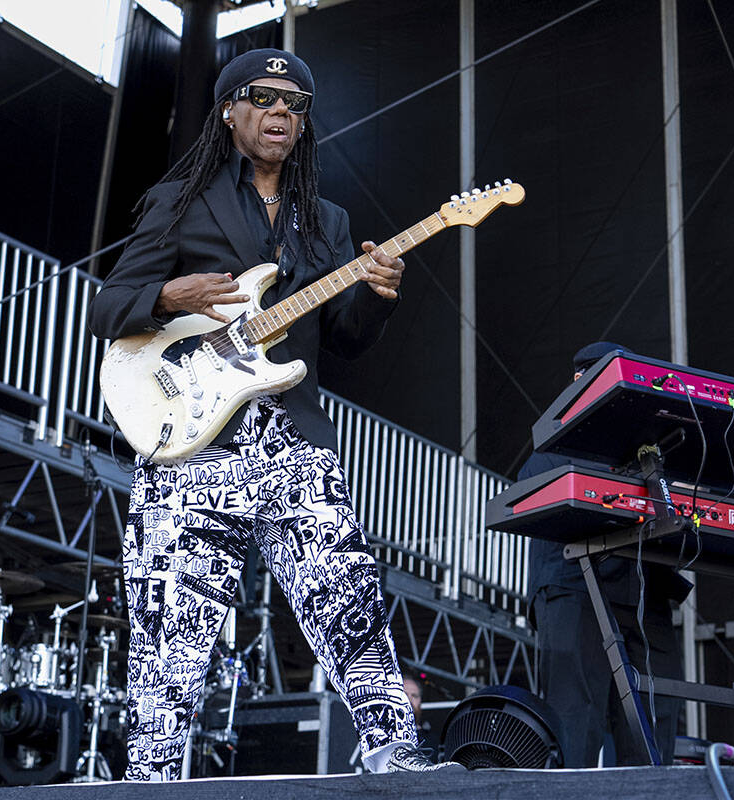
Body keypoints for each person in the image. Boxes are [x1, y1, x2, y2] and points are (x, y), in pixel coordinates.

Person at [88, 49, 458, 781]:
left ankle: (396, 757)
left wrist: (376, 295)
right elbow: (108, 306)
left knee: (350, 598)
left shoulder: (327, 219)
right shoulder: (180, 199)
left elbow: (344, 343)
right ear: (229, 109)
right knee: (173, 633)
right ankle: (151, 779)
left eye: (295, 103)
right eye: (261, 98)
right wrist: (172, 297)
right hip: (195, 440)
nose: (281, 111)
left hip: (295, 439)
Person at [524, 341, 690, 767]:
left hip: (644, 590)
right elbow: (539, 492)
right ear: (579, 381)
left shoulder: (650, 440)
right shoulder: (559, 434)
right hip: (574, 585)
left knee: (656, 718)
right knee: (576, 720)